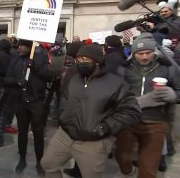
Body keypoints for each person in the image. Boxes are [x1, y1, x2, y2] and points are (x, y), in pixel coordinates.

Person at [41, 44, 142, 178]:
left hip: (93, 141)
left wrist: (105, 127)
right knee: (48, 164)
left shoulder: (115, 84)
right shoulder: (73, 76)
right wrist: (64, 117)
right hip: (65, 134)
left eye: (86, 59)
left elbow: (132, 111)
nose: (81, 62)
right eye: (79, 58)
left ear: (97, 61)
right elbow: (66, 97)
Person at [114, 33, 180, 178]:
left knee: (149, 167)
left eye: (148, 53)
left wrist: (173, 95)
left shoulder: (167, 68)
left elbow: (178, 90)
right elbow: (114, 94)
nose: (144, 57)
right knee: (121, 156)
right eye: (140, 53)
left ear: (154, 51)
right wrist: (138, 102)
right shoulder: (123, 69)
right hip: (128, 120)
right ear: (133, 53)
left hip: (156, 122)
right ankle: (129, 171)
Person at [4, 39, 53, 175]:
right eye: (19, 45)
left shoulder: (41, 58)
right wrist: (18, 82)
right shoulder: (15, 60)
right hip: (20, 101)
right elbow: (6, 79)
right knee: (22, 131)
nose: (19, 48)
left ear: (30, 46)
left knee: (38, 132)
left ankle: (39, 160)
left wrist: (36, 68)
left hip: (36, 101)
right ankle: (22, 157)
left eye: (23, 45)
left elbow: (50, 76)